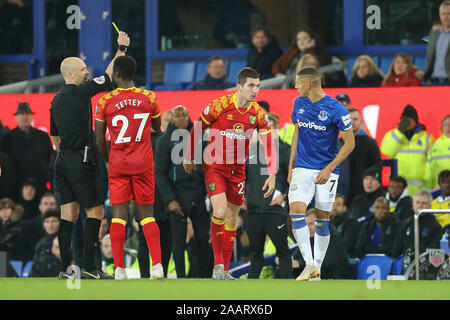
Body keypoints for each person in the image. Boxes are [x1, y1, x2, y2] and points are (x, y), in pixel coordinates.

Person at [183, 67, 277, 280]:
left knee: (233, 217)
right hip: (215, 166)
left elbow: (269, 145)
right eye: (251, 85)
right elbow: (198, 126)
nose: (255, 90)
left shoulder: (258, 114)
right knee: (221, 210)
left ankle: (224, 270)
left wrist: (271, 173)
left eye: (258, 86)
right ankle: (217, 265)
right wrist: (188, 154)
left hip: (238, 170)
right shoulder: (219, 105)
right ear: (239, 86)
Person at [50, 30, 130, 280]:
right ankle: (89, 267)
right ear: (71, 75)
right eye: (83, 69)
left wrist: (67, 154)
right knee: (95, 213)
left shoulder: (56, 99)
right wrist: (122, 49)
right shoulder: (80, 92)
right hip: (80, 160)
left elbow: (54, 136)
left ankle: (65, 269)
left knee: (68, 215)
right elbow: (108, 78)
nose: (87, 72)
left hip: (62, 161)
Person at [95, 55, 163, 280]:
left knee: (118, 217)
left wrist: (107, 159)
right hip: (143, 162)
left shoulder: (105, 101)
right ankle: (158, 267)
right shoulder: (149, 97)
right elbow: (156, 127)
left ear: (115, 75)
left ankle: (119, 270)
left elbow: (98, 140)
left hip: (118, 163)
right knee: (147, 216)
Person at [287, 67, 355, 281]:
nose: (295, 86)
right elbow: (296, 134)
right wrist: (290, 166)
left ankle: (316, 270)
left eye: (298, 82)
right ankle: (309, 264)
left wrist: (328, 168)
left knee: (322, 219)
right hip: (302, 167)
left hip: (327, 169)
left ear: (308, 84)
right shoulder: (298, 103)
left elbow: (350, 143)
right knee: (295, 210)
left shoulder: (336, 109)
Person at [155, 105, 212, 279]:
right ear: (172, 119)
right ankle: (180, 279)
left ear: (189, 117)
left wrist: (208, 192)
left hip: (199, 195)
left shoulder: (200, 138)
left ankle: (204, 277)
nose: (181, 118)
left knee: (203, 239)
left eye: (184, 115)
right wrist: (170, 200)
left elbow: (209, 166)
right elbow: (160, 173)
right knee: (178, 241)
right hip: (177, 195)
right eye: (177, 115)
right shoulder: (164, 141)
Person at [245, 112, 292, 279]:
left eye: (269, 126)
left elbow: (293, 176)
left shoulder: (285, 150)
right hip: (253, 210)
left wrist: (285, 195)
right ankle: (250, 291)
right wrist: (242, 196)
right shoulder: (249, 150)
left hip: (274, 210)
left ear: (277, 128)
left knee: (283, 251)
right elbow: (240, 176)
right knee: (255, 253)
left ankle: (287, 289)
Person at [0, 102, 53, 198]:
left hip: (40, 186)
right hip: (16, 189)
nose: (25, 117)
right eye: (21, 114)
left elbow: (50, 160)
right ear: (16, 117)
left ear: (32, 117)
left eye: (27, 114)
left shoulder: (43, 136)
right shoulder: (7, 139)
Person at [380, 104, 433, 196]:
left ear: (415, 121)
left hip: (419, 190)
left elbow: (430, 164)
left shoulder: (427, 137)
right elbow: (387, 151)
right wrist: (400, 132)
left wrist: (428, 188)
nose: (406, 123)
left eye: (409, 120)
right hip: (397, 189)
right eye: (404, 120)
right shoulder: (392, 135)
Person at [292, 209, 353, 279]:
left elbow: (327, 262)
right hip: (318, 277)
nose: (307, 228)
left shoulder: (334, 239)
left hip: (336, 278)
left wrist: (299, 263)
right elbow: (297, 257)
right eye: (306, 224)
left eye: (311, 224)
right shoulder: (308, 238)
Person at [337, 108, 382, 204]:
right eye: (348, 120)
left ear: (361, 122)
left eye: (355, 119)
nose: (352, 122)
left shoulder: (370, 143)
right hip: (339, 196)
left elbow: (377, 167)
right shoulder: (336, 144)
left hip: (362, 197)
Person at [392, 190, 443, 258]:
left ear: (430, 206)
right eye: (417, 202)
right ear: (413, 205)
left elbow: (435, 249)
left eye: (424, 203)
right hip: (405, 264)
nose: (420, 205)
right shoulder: (405, 224)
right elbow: (396, 249)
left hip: (425, 264)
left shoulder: (436, 226)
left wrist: (419, 252)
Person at [15, 191, 58, 262]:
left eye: (52, 204)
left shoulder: (65, 226)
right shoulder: (26, 226)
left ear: (56, 207)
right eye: (45, 204)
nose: (49, 206)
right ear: (40, 207)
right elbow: (21, 251)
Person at [423, 1, 450, 85]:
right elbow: (429, 56)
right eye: (443, 14)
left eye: (449, 13)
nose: (446, 17)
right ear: (439, 15)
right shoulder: (434, 33)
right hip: (433, 82)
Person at [28, 209, 61, 277]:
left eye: (54, 221)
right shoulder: (40, 244)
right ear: (43, 224)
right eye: (47, 221)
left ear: (60, 223)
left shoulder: (67, 242)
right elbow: (35, 266)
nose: (50, 225)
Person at [424, 115, 450, 189]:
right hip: (438, 189)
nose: (448, 127)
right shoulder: (435, 144)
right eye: (445, 124)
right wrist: (428, 189)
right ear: (442, 128)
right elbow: (428, 168)